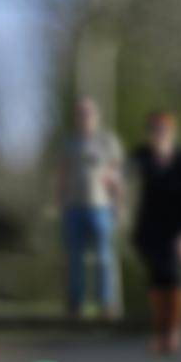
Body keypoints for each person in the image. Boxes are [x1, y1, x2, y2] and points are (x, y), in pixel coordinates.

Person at [130, 111, 181, 354]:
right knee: (157, 277)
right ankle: (160, 333)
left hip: (175, 228)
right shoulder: (142, 156)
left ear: (172, 133)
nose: (159, 134)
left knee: (174, 277)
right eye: (155, 130)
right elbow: (125, 170)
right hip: (149, 228)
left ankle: (174, 331)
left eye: (163, 130)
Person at [54, 97, 125, 319]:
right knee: (75, 258)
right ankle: (76, 305)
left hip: (101, 207)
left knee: (104, 257)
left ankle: (106, 304)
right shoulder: (69, 143)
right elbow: (62, 175)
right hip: (74, 207)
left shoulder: (107, 142)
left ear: (96, 116)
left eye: (89, 113)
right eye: (81, 113)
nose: (85, 117)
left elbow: (116, 176)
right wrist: (59, 204)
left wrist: (119, 204)